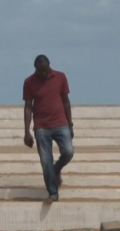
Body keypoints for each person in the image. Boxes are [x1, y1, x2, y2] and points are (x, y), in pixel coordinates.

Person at [23, 54, 74, 204]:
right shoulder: (29, 82)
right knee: (46, 161)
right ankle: (53, 193)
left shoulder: (60, 77)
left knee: (69, 152)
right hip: (41, 127)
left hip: (60, 123)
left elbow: (66, 101)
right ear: (35, 69)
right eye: (40, 71)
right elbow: (28, 107)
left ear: (49, 65)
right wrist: (27, 131)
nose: (44, 73)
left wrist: (70, 124)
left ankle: (56, 169)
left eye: (45, 69)